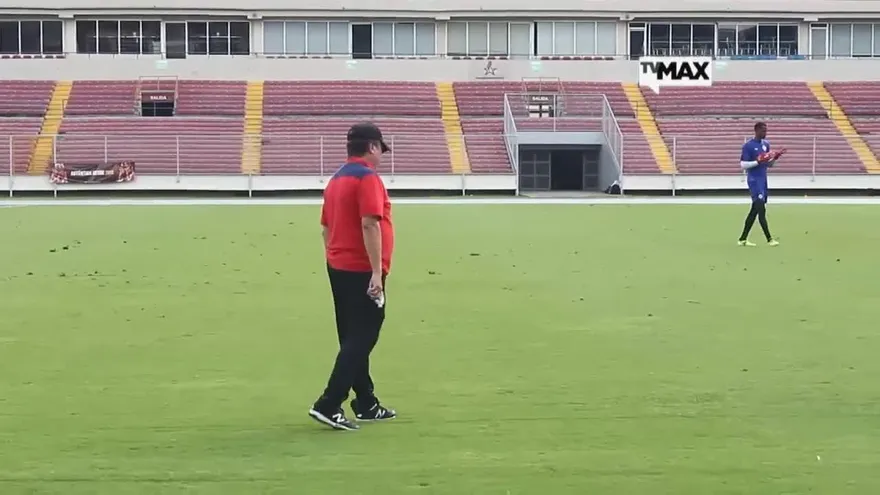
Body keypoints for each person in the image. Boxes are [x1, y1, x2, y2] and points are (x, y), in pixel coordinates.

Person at [308, 122, 397, 431]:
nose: (381, 157)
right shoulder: (368, 179)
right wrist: (375, 272)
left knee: (351, 336)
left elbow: (325, 228)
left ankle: (366, 402)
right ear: (372, 147)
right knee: (364, 335)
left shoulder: (335, 180)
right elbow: (370, 223)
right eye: (380, 150)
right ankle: (330, 402)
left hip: (339, 267)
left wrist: (333, 257)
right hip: (361, 269)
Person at [738, 122, 784, 247]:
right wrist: (757, 161)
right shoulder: (748, 146)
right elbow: (743, 164)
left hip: (763, 181)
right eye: (763, 131)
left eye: (766, 131)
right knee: (761, 210)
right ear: (756, 131)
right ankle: (769, 239)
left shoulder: (766, 145)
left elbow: (768, 165)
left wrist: (775, 158)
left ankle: (742, 238)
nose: (765, 133)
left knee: (754, 211)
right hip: (754, 181)